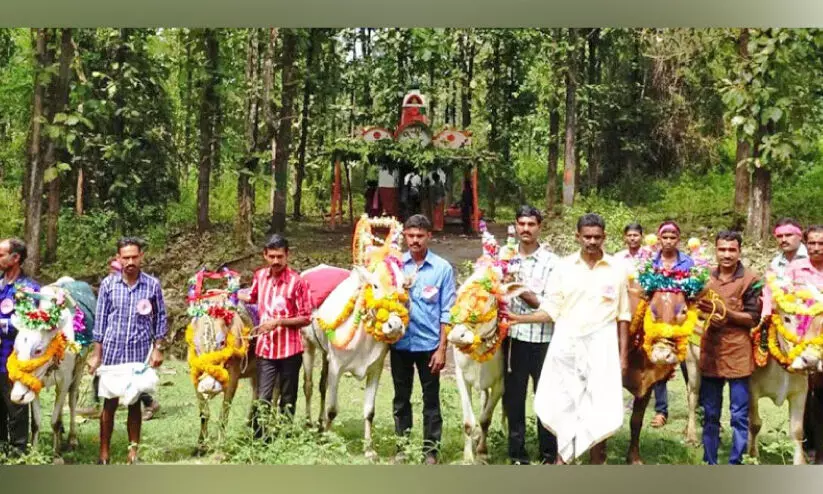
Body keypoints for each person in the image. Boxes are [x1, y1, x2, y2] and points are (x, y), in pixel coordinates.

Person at [511, 213, 631, 465]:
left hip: (603, 346)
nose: (592, 242)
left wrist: (622, 357)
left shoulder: (617, 269)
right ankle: (562, 463)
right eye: (587, 236)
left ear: (604, 237)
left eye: (597, 237)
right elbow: (551, 309)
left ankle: (597, 463)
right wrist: (517, 319)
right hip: (566, 345)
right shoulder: (563, 267)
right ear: (577, 237)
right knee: (563, 402)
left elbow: (623, 315)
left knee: (600, 406)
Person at [87, 237, 168, 464]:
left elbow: (160, 317)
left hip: (139, 352)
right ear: (118, 259)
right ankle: (104, 454)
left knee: (134, 402)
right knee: (109, 403)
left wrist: (158, 349)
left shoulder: (152, 285)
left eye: (134, 257)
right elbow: (101, 320)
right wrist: (96, 355)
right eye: (126, 257)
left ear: (141, 257)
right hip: (112, 352)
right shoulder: (108, 285)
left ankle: (133, 452)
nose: (130, 261)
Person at [392, 214, 456, 464]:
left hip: (429, 346)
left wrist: (442, 349)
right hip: (400, 344)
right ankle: (401, 447)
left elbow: (447, 311)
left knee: (430, 400)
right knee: (400, 398)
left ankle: (430, 451)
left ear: (429, 236)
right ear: (404, 236)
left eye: (420, 236)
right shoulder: (395, 265)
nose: (415, 240)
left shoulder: (442, 269)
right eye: (411, 236)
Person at [696, 230, 762, 465]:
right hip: (711, 352)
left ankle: (736, 463)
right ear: (716, 250)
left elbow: (753, 317)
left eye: (731, 249)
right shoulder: (703, 277)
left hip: (738, 353)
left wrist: (727, 314)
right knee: (711, 414)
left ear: (739, 251)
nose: (726, 254)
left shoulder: (751, 279)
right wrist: (706, 314)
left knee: (739, 415)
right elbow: (693, 309)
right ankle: (710, 461)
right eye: (722, 249)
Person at [239, 234, 312, 439]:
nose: (276, 261)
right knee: (263, 396)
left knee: (288, 398)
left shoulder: (297, 282)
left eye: (280, 256)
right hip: (265, 349)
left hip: (290, 350)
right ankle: (260, 438)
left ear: (287, 255)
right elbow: (252, 296)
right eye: (271, 256)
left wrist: (279, 322)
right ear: (265, 255)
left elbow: (307, 317)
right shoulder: (260, 276)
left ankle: (284, 437)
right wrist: (230, 293)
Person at [502, 205, 559, 465]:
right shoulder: (503, 257)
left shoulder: (552, 263)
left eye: (531, 224)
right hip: (512, 340)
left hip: (544, 339)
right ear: (515, 225)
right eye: (521, 223)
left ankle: (549, 453)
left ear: (539, 227)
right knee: (514, 398)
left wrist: (519, 289)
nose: (525, 229)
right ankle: (517, 454)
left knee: (546, 398)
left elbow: (549, 306)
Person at [648, 220, 694, 428]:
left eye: (672, 238)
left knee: (689, 364)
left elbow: (694, 291)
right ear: (659, 239)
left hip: (682, 317)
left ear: (678, 239)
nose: (668, 241)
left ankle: (697, 410)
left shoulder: (688, 263)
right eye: (664, 237)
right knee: (659, 362)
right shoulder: (650, 263)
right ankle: (661, 410)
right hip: (658, 319)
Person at [0, 238, 39, 456]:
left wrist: (2, 324)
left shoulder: (29, 289)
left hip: (14, 356)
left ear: (15, 258)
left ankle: (18, 450)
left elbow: (30, 324)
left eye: (1, 254)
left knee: (15, 405)